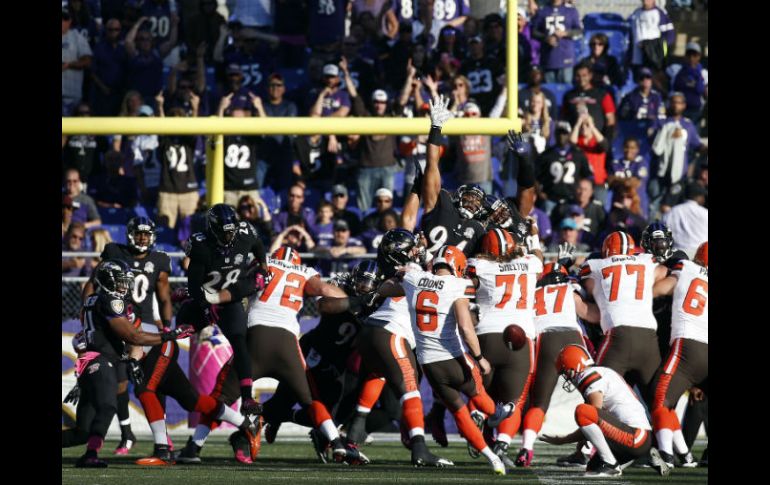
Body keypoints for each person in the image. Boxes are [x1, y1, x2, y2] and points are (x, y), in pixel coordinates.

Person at [178, 246, 369, 466]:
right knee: (310, 399)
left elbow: (232, 285)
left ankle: (196, 447)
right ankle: (336, 443)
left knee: (219, 397)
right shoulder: (304, 272)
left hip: (255, 339)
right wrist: (353, 301)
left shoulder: (264, 263)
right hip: (286, 343)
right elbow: (327, 292)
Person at [375, 245, 514, 476]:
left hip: (429, 364)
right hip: (453, 356)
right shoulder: (458, 284)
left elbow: (387, 287)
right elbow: (466, 327)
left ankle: (492, 458)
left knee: (459, 412)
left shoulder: (414, 278)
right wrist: (480, 358)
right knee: (478, 393)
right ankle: (495, 415)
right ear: (457, 266)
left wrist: (397, 275)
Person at [325, 229, 454, 467]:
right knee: (411, 390)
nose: (416, 250)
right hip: (392, 333)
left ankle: (351, 438)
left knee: (377, 378)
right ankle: (419, 448)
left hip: (371, 335)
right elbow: (437, 279)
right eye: (411, 248)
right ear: (399, 254)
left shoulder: (399, 270)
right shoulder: (409, 272)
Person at [71, 260, 193, 467]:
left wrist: (132, 361)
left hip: (93, 360)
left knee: (82, 432)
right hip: (100, 360)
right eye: (120, 281)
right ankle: (91, 454)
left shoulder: (93, 299)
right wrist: (169, 335)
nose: (124, 286)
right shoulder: (111, 302)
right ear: (108, 281)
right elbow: (134, 336)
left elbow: (96, 338)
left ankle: (91, 451)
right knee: (108, 406)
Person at [260, 260, 383, 445]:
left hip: (338, 361)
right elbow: (324, 305)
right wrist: (359, 302)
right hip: (313, 350)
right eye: (360, 282)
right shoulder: (340, 284)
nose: (363, 287)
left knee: (328, 417)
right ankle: (260, 419)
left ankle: (285, 417)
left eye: (368, 284)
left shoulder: (377, 302)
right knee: (283, 399)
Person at [81, 217, 174, 455]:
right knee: (119, 383)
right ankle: (126, 433)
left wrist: (167, 327)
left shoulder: (159, 260)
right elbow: (93, 282)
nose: (142, 238)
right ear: (131, 234)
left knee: (153, 381)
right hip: (117, 322)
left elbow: (164, 298)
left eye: (146, 234)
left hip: (142, 323)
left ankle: (161, 436)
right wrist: (86, 312)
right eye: (139, 233)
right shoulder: (114, 252)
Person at [466, 229, 544, 468]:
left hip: (487, 335)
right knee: (513, 401)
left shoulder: (478, 264)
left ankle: (478, 416)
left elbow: (467, 284)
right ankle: (502, 442)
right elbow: (539, 258)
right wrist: (534, 238)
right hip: (520, 339)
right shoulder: (530, 263)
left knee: (480, 393)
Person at [184, 204, 268, 416]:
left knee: (240, 342)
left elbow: (258, 246)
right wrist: (204, 306)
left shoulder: (245, 233)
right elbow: (194, 285)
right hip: (205, 296)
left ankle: (247, 397)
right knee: (180, 328)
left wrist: (263, 267)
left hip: (231, 297)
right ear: (212, 229)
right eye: (223, 232)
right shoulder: (201, 245)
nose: (228, 236)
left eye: (231, 231)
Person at [515, 262, 600, 467]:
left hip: (546, 339)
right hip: (572, 336)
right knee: (592, 396)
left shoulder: (532, 293)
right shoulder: (571, 289)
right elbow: (591, 315)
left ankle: (526, 448)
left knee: (539, 403)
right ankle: (588, 449)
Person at [541, 344, 671, 477]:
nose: (566, 377)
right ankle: (645, 455)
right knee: (593, 468)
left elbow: (591, 416)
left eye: (565, 371)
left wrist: (564, 440)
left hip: (635, 436)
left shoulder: (588, 376)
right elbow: (595, 421)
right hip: (638, 436)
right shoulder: (601, 372)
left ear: (575, 365)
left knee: (583, 411)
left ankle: (612, 465)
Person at [578, 231, 668, 410]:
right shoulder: (646, 260)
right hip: (648, 338)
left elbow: (588, 290)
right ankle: (668, 438)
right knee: (658, 402)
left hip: (617, 337)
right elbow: (664, 272)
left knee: (596, 391)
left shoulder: (594, 265)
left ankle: (591, 437)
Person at [648, 242, 707, 467]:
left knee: (660, 398)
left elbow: (660, 289)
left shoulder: (687, 268)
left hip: (687, 346)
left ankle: (665, 454)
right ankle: (682, 454)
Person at [405, 95, 487, 256]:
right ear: (458, 197)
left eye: (476, 200)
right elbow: (432, 164)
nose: (472, 202)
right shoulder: (442, 205)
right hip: (426, 275)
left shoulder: (478, 229)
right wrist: (436, 128)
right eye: (469, 197)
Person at [340, 57, 399, 212]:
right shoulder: (365, 116)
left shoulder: (392, 118)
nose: (379, 105)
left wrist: (410, 77)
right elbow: (354, 96)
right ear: (372, 103)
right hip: (366, 168)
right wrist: (346, 73)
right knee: (364, 209)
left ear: (386, 104)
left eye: (382, 102)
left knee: (387, 210)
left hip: (387, 168)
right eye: (376, 102)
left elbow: (403, 100)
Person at [649, 92, 707, 218]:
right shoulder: (661, 121)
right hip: (659, 172)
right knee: (654, 205)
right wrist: (668, 134)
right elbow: (653, 143)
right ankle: (650, 234)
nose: (676, 105)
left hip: (678, 175)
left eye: (679, 102)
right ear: (669, 104)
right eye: (673, 102)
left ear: (684, 105)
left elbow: (697, 145)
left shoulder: (688, 124)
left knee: (671, 209)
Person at [536, 122, 593, 215]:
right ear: (555, 134)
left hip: (572, 200)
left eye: (564, 133)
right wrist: (540, 193)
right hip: (550, 199)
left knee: (570, 226)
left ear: (570, 134)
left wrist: (583, 193)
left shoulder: (578, 154)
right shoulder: (546, 155)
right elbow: (535, 176)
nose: (561, 136)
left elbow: (588, 176)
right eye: (559, 133)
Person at [530, 0, 583, 84]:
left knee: (566, 88)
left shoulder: (571, 11)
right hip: (548, 58)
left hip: (566, 57)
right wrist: (546, 38)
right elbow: (534, 32)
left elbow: (579, 30)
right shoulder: (543, 11)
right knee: (550, 89)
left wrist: (566, 33)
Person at [628, 0, 675, 76]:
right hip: (636, 57)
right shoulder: (636, 13)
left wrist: (659, 50)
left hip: (652, 58)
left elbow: (670, 35)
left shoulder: (660, 13)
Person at [661, 182, 708, 256]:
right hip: (700, 256)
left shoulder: (672, 212)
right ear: (699, 197)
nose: (704, 199)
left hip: (677, 255)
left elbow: (664, 234)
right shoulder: (705, 213)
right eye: (703, 196)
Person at [666, 42, 707, 124]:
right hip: (677, 111)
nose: (691, 58)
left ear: (699, 56)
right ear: (685, 55)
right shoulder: (675, 68)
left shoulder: (704, 73)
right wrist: (667, 93)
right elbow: (657, 77)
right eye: (689, 54)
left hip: (695, 112)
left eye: (694, 55)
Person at [62, 7, 93, 115]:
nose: (62, 21)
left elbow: (87, 60)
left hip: (71, 95)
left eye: (65, 18)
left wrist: (69, 65)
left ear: (70, 21)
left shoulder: (76, 36)